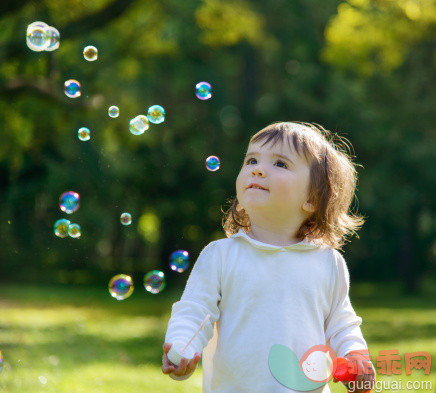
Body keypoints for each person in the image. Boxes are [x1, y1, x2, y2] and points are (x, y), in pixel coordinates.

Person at [162, 122, 375, 393]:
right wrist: (182, 346)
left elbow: (341, 323)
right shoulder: (221, 256)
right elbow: (194, 311)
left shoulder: (327, 262)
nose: (257, 169)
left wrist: (355, 354)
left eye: (280, 164)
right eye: (251, 160)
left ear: (312, 198)